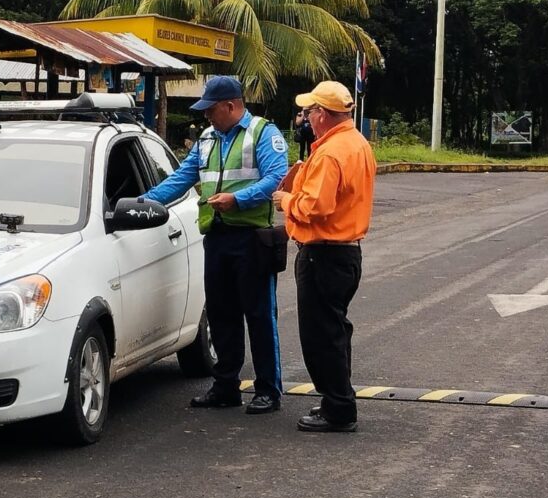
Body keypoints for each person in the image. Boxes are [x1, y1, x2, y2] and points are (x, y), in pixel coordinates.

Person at [143, 75, 289, 414]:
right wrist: (145, 201)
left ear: (231, 105)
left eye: (211, 110)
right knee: (221, 314)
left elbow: (277, 179)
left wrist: (238, 200)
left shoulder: (263, 133)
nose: (207, 116)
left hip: (252, 238)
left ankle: (269, 389)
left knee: (260, 315)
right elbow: (182, 178)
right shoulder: (208, 138)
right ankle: (226, 386)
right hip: (216, 237)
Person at [272, 81, 376, 433]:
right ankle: (338, 399)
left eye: (308, 111)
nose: (304, 118)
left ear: (322, 114)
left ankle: (338, 409)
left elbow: (316, 206)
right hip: (344, 252)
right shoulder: (356, 144)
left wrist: (285, 200)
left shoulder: (331, 153)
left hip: (324, 254)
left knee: (321, 335)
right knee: (334, 330)